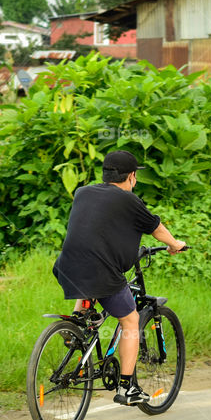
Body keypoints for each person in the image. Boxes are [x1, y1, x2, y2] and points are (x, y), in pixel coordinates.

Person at [53, 150, 186, 405]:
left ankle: (78, 321)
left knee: (91, 278)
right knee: (130, 319)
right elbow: (156, 229)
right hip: (100, 271)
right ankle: (127, 387)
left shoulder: (83, 192)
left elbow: (94, 229)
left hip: (66, 267)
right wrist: (174, 244)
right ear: (132, 176)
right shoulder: (128, 200)